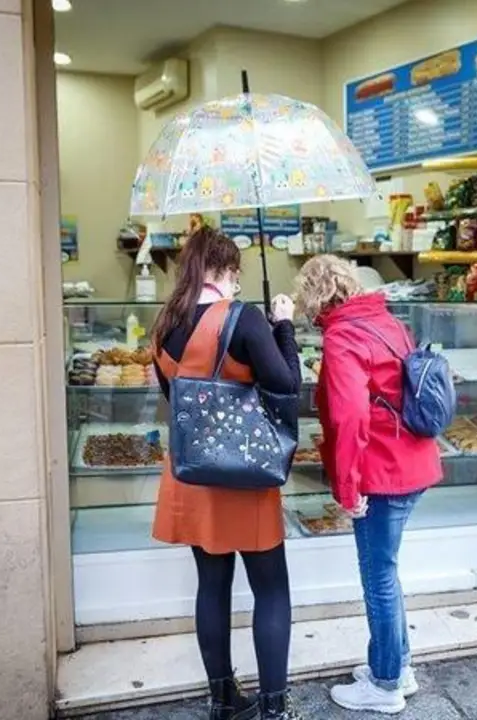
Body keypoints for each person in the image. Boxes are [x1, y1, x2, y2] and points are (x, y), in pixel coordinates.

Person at [149, 227, 302, 720]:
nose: (237, 284)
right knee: (271, 589)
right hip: (246, 476)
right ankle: (274, 710)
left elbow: (177, 401)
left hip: (193, 476)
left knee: (211, 586)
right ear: (227, 270)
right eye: (234, 274)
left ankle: (222, 699)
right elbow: (287, 385)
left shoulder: (164, 324)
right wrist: (283, 325)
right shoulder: (243, 318)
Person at [294, 255, 443, 715]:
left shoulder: (341, 337)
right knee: (388, 573)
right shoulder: (386, 321)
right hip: (413, 460)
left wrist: (347, 487)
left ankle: (384, 685)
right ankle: (399, 667)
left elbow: (350, 415)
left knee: (378, 577)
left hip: (383, 470)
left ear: (317, 297)